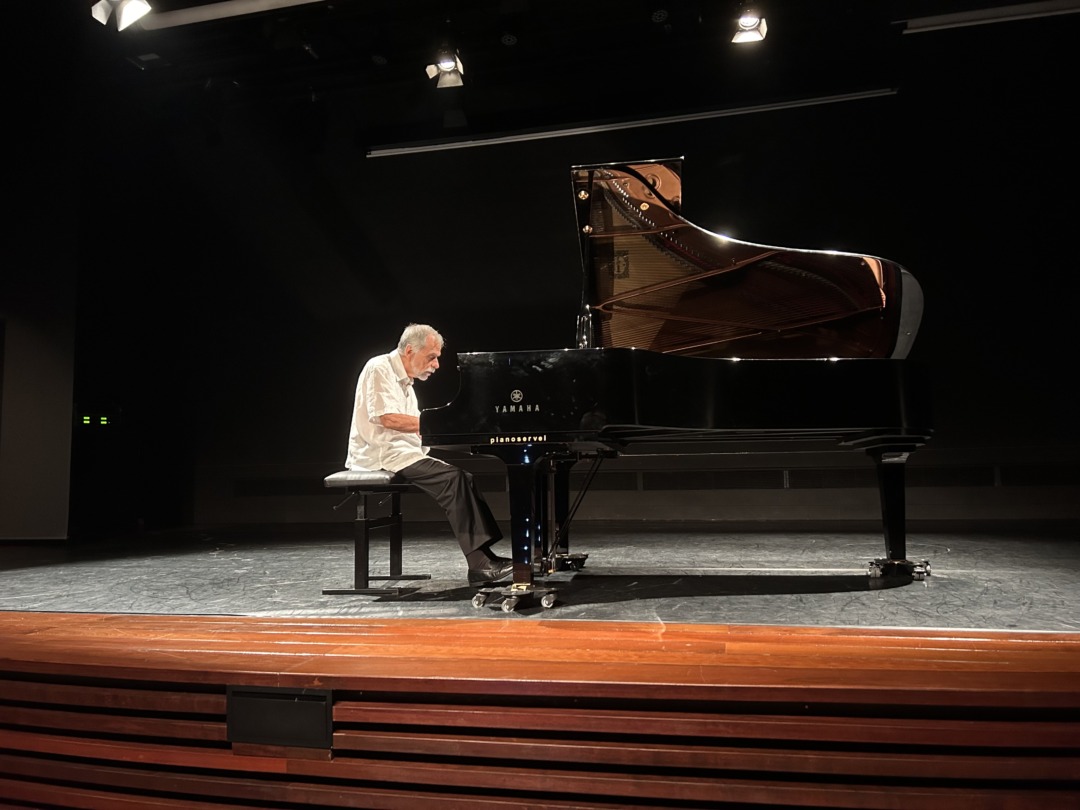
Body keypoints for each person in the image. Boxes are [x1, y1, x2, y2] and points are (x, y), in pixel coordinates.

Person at [345, 323, 513, 585]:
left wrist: (457, 435)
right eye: (432, 357)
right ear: (410, 350)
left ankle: (486, 555)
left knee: (465, 477)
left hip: (403, 452)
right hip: (380, 455)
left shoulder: (406, 384)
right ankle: (478, 565)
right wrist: (438, 425)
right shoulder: (379, 368)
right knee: (452, 479)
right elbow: (387, 418)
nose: (436, 365)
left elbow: (414, 430)